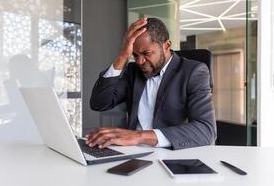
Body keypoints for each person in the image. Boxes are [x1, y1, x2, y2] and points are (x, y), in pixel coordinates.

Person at [87, 18, 216, 150]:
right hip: (131, 151)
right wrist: (122, 56)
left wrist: (139, 136)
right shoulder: (133, 71)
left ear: (166, 45)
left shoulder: (193, 72)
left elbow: (206, 130)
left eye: (146, 53)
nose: (140, 61)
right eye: (135, 55)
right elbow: (99, 103)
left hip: (169, 153)